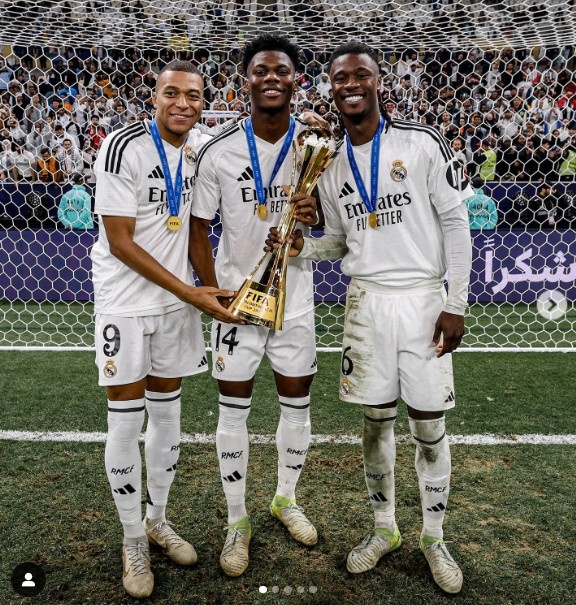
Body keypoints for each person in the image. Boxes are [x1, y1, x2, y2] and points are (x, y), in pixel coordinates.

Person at [268, 41, 472, 594]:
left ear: (378, 82)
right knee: (375, 422)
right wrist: (301, 248)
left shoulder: (421, 142)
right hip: (366, 302)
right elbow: (338, 241)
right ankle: (385, 529)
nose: (351, 85)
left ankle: (434, 537)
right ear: (331, 88)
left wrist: (455, 303)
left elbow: (456, 223)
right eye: (340, 78)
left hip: (424, 300)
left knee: (428, 427)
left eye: (361, 75)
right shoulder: (330, 164)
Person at [91, 60, 242, 599]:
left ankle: (156, 519)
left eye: (193, 96)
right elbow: (120, 241)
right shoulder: (122, 146)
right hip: (126, 305)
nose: (183, 103)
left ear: (204, 103)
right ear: (153, 97)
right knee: (125, 423)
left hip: (177, 306)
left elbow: (247, 141)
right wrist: (191, 290)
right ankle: (132, 538)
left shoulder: (201, 149)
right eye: (172, 93)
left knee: (167, 416)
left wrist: (307, 124)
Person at [189, 33, 321, 578]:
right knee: (232, 410)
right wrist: (211, 291)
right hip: (238, 303)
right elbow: (198, 226)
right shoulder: (218, 149)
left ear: (296, 80)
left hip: (296, 301)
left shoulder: (317, 146)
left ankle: (285, 498)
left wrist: (309, 227)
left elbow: (332, 223)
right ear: (245, 80)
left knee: (297, 405)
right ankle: (237, 519)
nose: (271, 78)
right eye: (261, 70)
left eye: (281, 70)